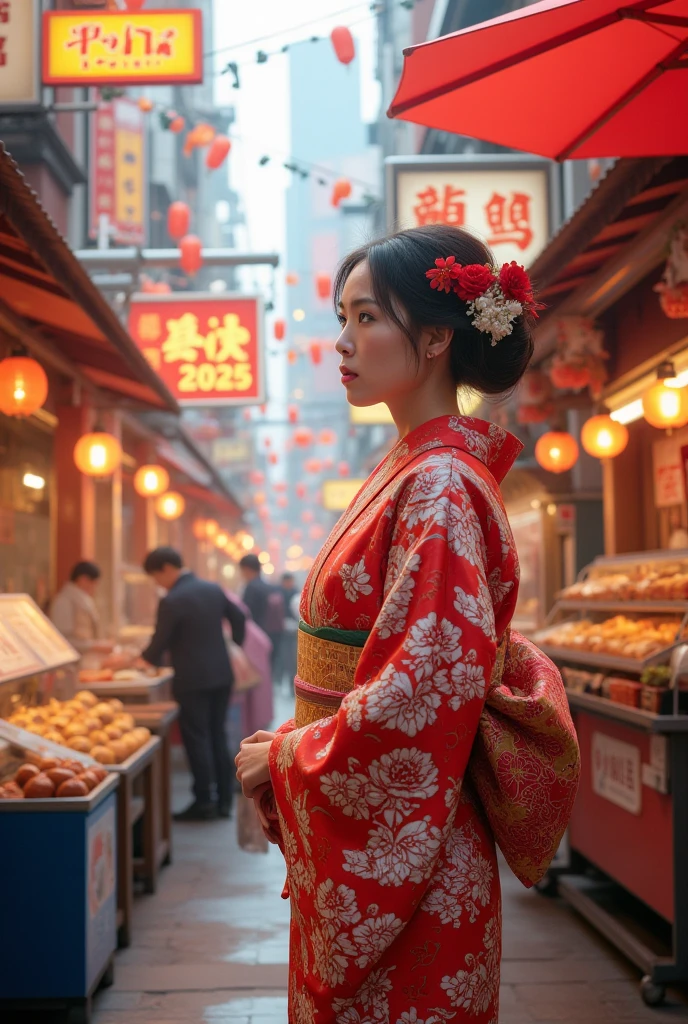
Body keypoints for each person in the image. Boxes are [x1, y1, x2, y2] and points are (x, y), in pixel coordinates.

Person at [236, 225, 580, 1022]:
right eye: (341, 319)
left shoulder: (438, 484)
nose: (344, 343)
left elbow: (423, 686)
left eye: (366, 319)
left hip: (410, 841)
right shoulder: (421, 472)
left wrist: (291, 754)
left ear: (433, 337)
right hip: (407, 831)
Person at [141, 546, 245, 821]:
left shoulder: (172, 599)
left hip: (192, 679)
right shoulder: (212, 588)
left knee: (197, 738)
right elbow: (239, 617)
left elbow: (155, 649)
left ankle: (203, 801)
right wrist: (233, 644)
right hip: (221, 674)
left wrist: (139, 660)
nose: (157, 583)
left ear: (165, 568)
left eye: (155, 576)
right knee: (217, 734)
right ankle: (223, 800)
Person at [238, 553, 284, 671]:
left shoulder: (251, 587)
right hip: (273, 636)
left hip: (257, 637)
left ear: (246, 569)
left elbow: (245, 613)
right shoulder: (270, 587)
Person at [50, 561, 108, 653]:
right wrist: (94, 646)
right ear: (83, 579)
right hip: (73, 662)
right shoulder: (64, 601)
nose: (94, 588)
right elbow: (63, 639)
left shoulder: (83, 600)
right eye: (93, 583)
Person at [276, 571, 299, 689]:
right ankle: (279, 678)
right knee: (284, 656)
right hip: (281, 630)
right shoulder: (278, 593)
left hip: (294, 630)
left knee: (293, 659)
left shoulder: (296, 593)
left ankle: (291, 684)